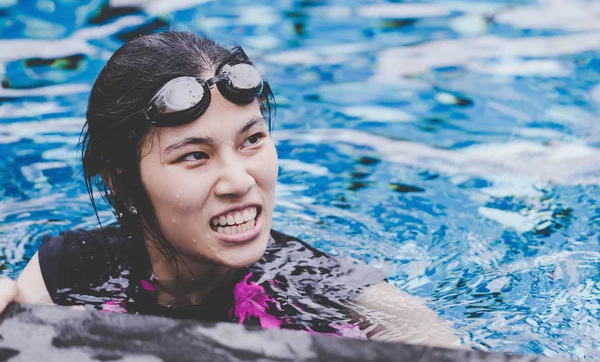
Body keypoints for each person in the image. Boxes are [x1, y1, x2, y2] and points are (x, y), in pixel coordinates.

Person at [0, 31, 464, 347]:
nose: (240, 181)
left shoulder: (319, 289)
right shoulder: (71, 274)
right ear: (119, 182)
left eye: (253, 140)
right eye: (194, 155)